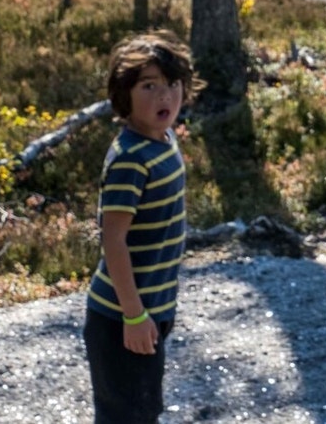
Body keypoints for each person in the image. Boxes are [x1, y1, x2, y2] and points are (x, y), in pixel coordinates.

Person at [84, 32, 199, 423]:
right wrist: (133, 315)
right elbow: (113, 240)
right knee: (126, 415)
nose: (164, 96)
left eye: (171, 85)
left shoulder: (164, 140)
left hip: (153, 308)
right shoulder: (130, 159)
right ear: (125, 95)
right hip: (121, 316)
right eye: (148, 86)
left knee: (145, 409)